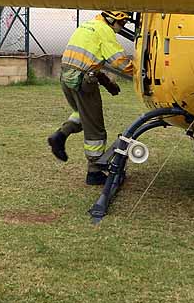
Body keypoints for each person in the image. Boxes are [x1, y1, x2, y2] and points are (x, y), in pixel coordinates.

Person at [46, 10, 137, 185]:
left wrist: (107, 83)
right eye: (122, 23)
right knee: (96, 130)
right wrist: (140, 72)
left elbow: (89, 61)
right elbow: (119, 61)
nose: (122, 27)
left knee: (81, 114)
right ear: (112, 20)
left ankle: (60, 135)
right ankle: (94, 172)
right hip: (83, 83)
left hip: (66, 77)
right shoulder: (105, 31)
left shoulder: (87, 26)